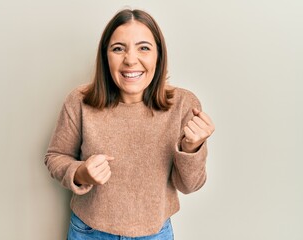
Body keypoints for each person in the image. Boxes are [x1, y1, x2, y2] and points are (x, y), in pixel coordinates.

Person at [44, 8, 215, 240]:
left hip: (155, 233)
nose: (130, 60)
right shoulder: (80, 101)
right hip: (89, 231)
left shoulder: (184, 104)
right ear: (106, 56)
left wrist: (192, 149)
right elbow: (56, 156)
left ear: (159, 55)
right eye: (118, 49)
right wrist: (81, 173)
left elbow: (189, 185)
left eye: (144, 48)